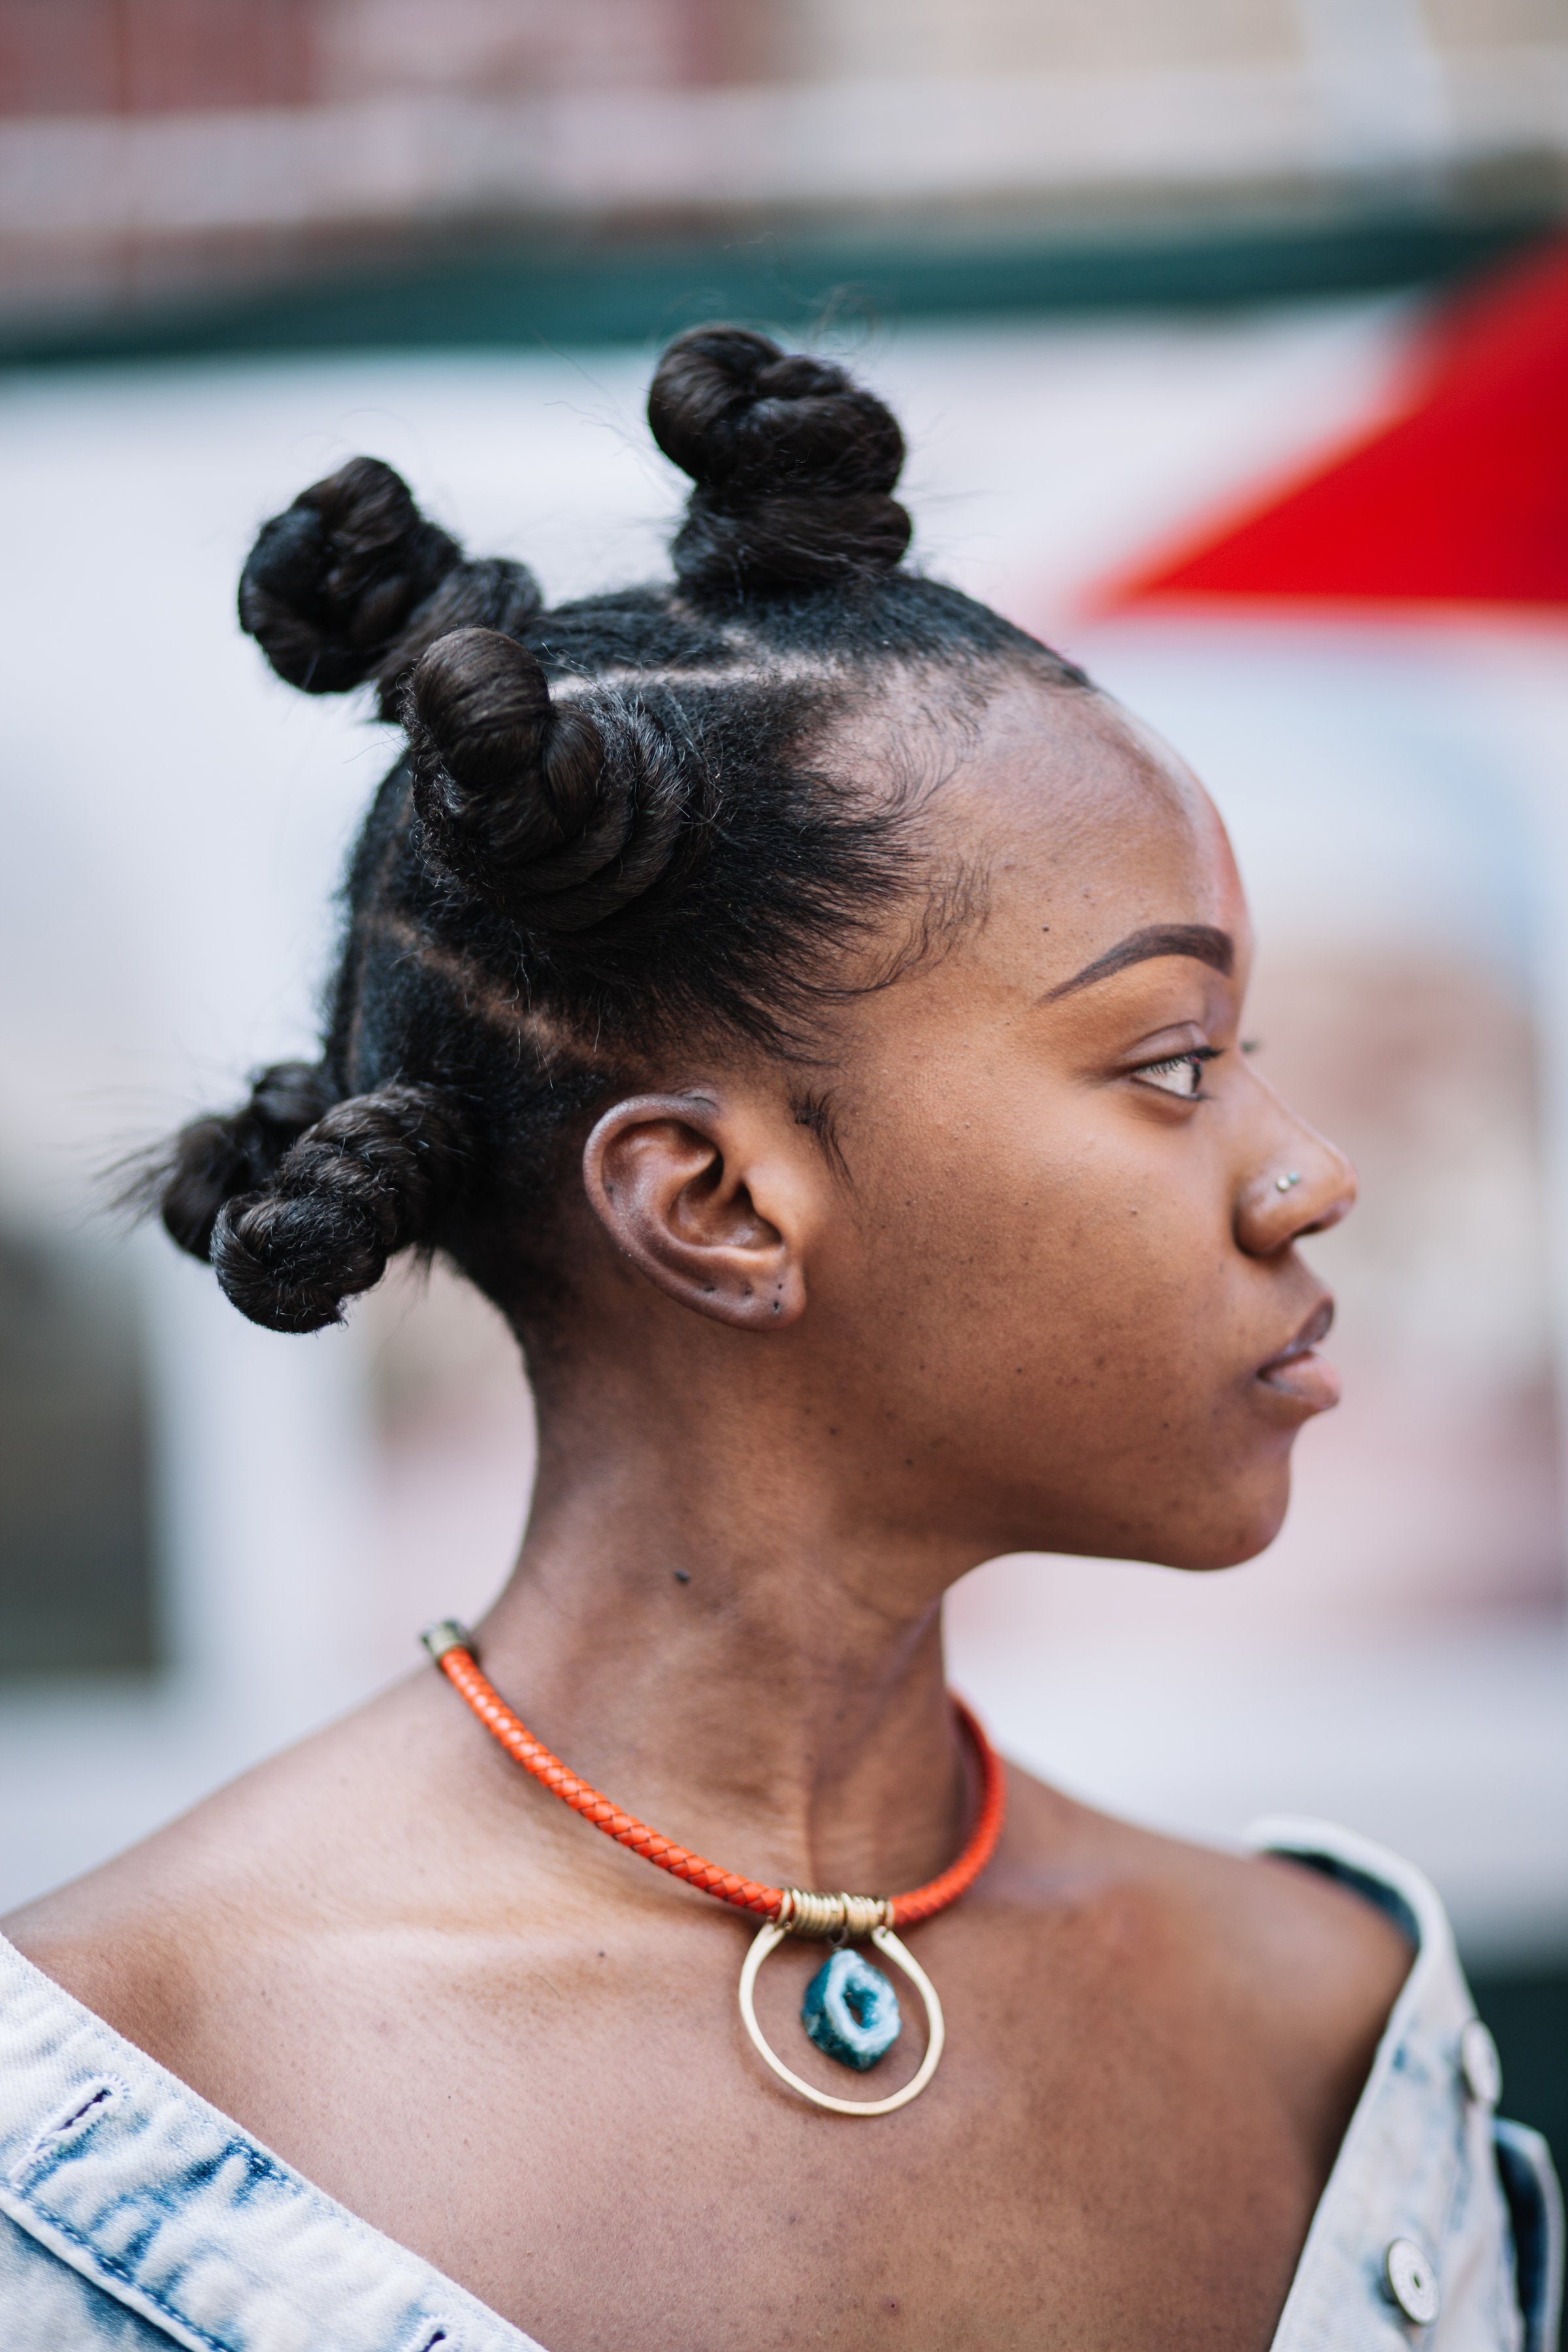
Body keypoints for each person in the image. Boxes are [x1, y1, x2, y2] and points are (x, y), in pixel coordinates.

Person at [1, 329, 1559, 2352]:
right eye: (1176, 1062)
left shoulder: (1338, 2037)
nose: (1310, 1175)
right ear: (719, 1206)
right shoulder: (112, 2121)